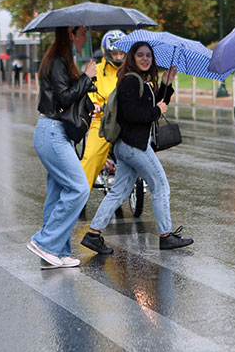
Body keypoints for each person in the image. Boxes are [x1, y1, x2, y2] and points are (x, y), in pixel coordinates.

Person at [80, 42, 194, 255]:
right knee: (161, 186)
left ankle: (93, 234)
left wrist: (166, 85)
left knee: (119, 191)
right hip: (134, 145)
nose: (145, 59)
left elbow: (156, 103)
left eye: (148, 56)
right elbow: (133, 115)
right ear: (132, 58)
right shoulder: (130, 81)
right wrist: (156, 112)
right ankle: (166, 236)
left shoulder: (141, 80)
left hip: (126, 146)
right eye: (140, 55)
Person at [29, 26, 97, 269]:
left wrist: (87, 87)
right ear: (70, 33)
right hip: (52, 132)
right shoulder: (58, 60)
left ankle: (55, 253)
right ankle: (45, 242)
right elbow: (64, 98)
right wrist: (86, 77)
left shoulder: (61, 60)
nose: (85, 38)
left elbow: (68, 96)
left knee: (57, 194)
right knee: (79, 188)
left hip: (52, 132)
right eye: (82, 34)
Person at [79, 30, 126, 191]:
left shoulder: (132, 70)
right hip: (103, 120)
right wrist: (95, 104)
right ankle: (80, 192)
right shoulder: (97, 70)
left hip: (128, 119)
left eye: (122, 53)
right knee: (91, 157)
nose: (119, 57)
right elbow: (88, 92)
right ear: (107, 52)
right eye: (115, 53)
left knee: (148, 149)